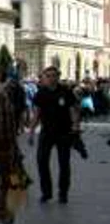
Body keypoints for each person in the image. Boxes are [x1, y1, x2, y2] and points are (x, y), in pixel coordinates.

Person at [28, 66, 80, 204]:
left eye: (53, 75)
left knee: (64, 164)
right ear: (45, 77)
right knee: (42, 162)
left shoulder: (66, 91)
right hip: (46, 133)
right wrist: (31, 132)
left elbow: (73, 110)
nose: (51, 78)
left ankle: (63, 193)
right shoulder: (41, 93)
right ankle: (46, 193)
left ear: (58, 76)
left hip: (64, 133)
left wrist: (75, 126)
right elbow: (37, 114)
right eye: (48, 76)